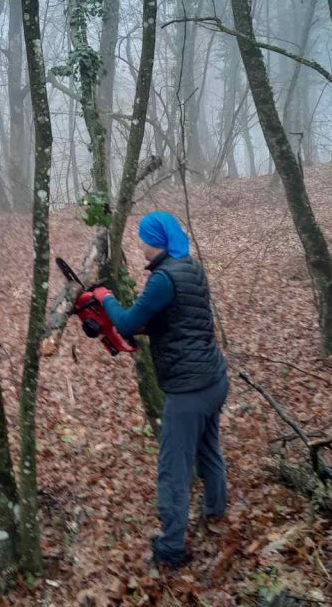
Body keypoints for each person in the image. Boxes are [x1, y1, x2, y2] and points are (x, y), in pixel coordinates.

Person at [92, 211, 229, 568]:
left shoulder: (163, 279)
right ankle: (216, 512)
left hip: (188, 391)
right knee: (208, 449)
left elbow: (125, 320)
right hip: (214, 379)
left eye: (143, 238)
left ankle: (170, 550)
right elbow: (180, 320)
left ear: (156, 240)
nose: (139, 245)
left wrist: (105, 296)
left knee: (173, 469)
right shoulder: (190, 268)